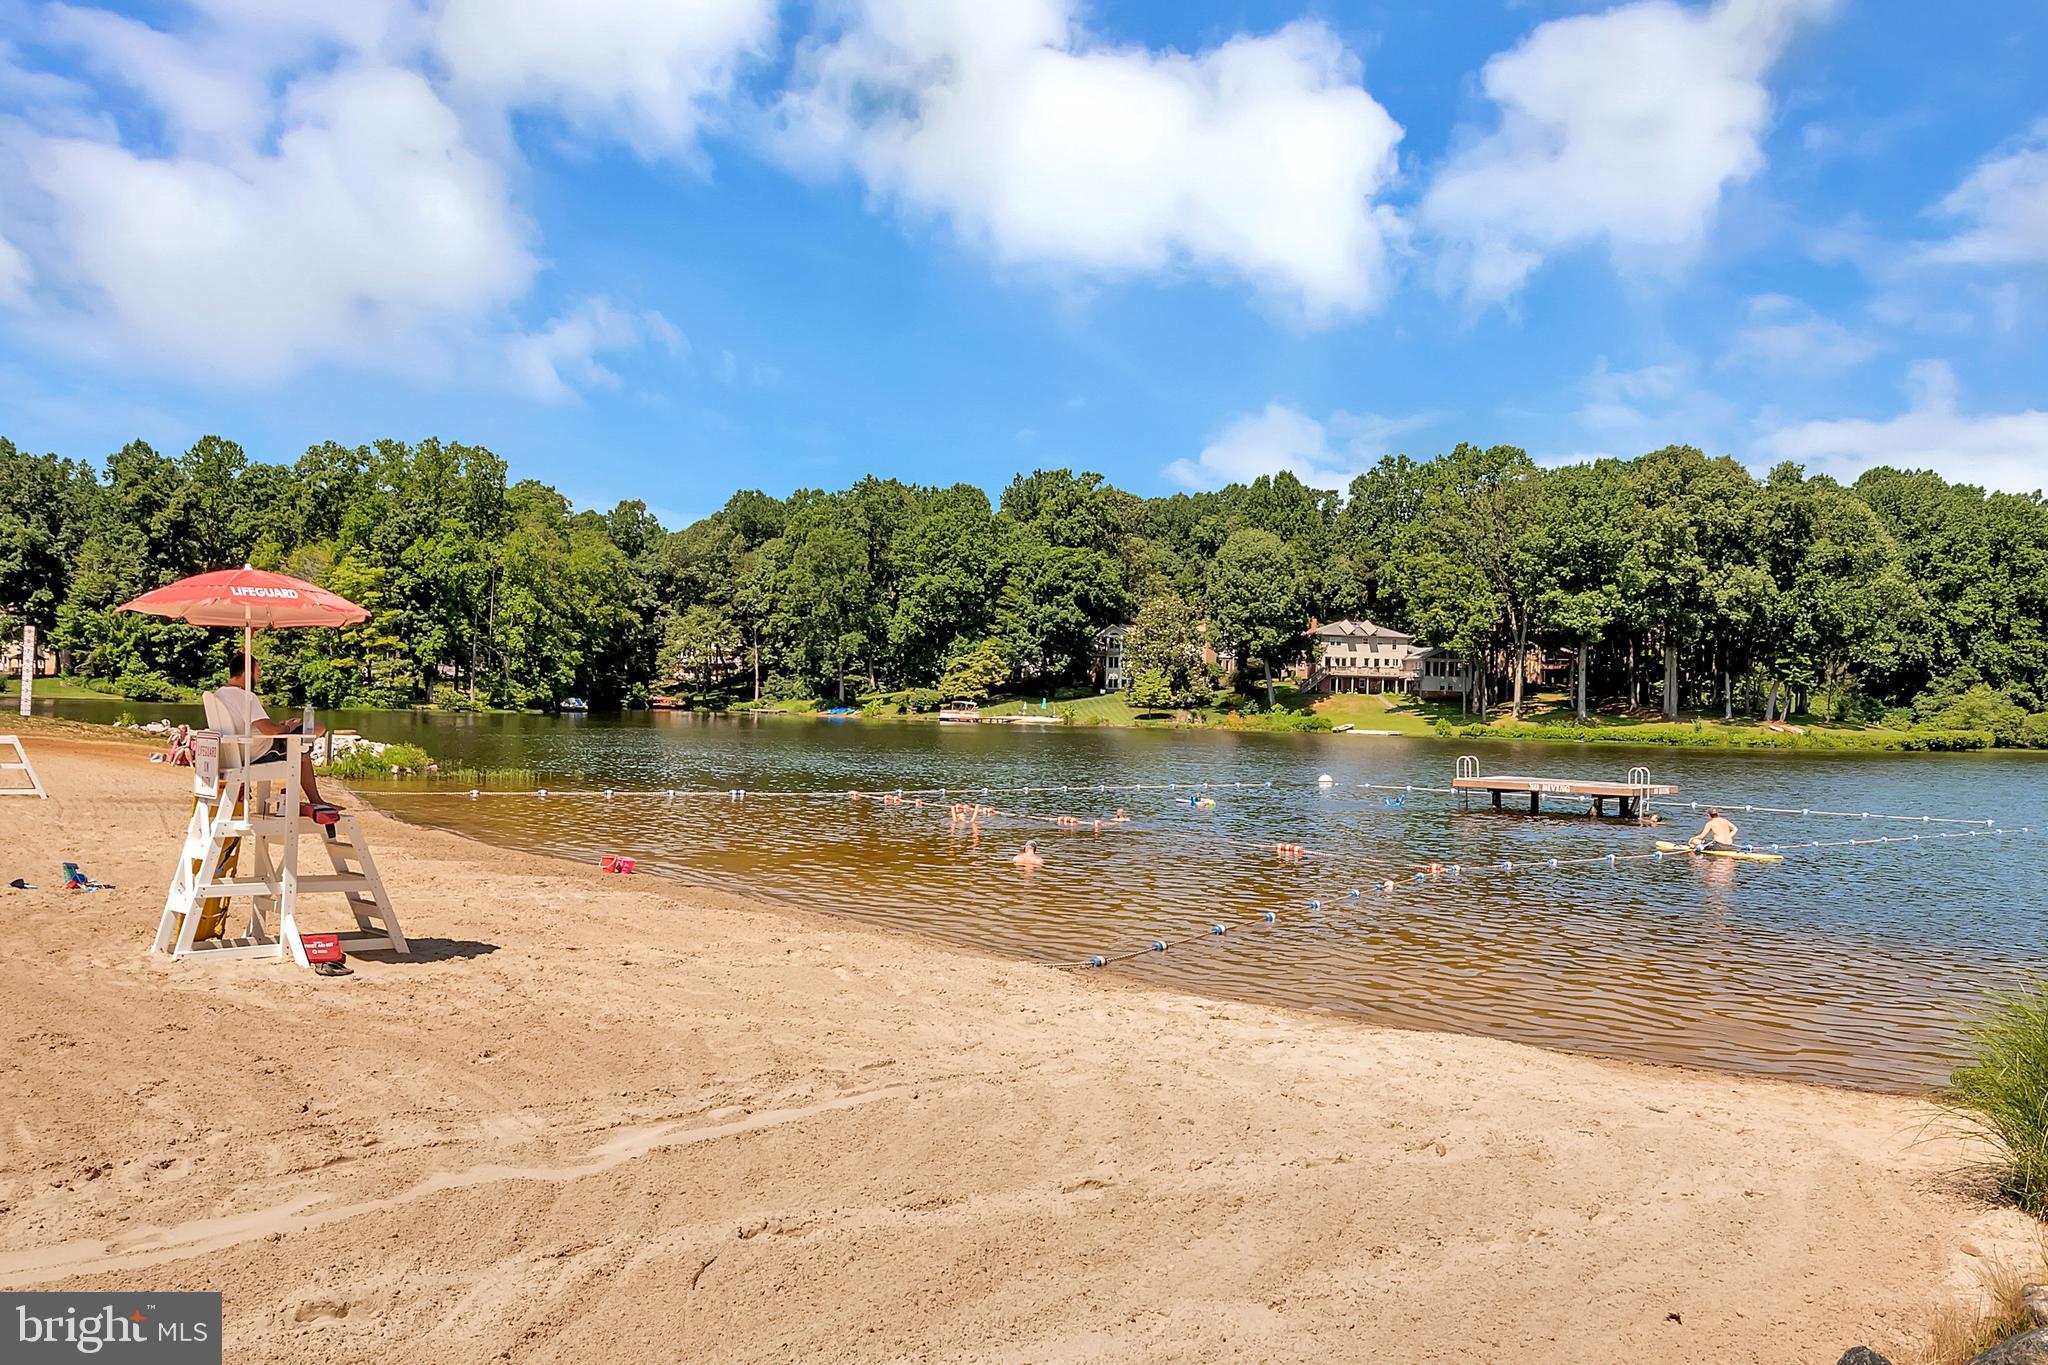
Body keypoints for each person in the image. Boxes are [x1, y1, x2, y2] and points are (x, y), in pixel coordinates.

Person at [204, 657, 341, 822]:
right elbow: (268, 730)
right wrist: (287, 727)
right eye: (258, 673)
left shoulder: (219, 694)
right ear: (248, 673)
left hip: (236, 752)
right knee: (314, 730)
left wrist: (280, 726)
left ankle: (315, 798)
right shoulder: (246, 696)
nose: (259, 678)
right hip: (259, 751)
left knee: (299, 745)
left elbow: (259, 726)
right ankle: (316, 800)